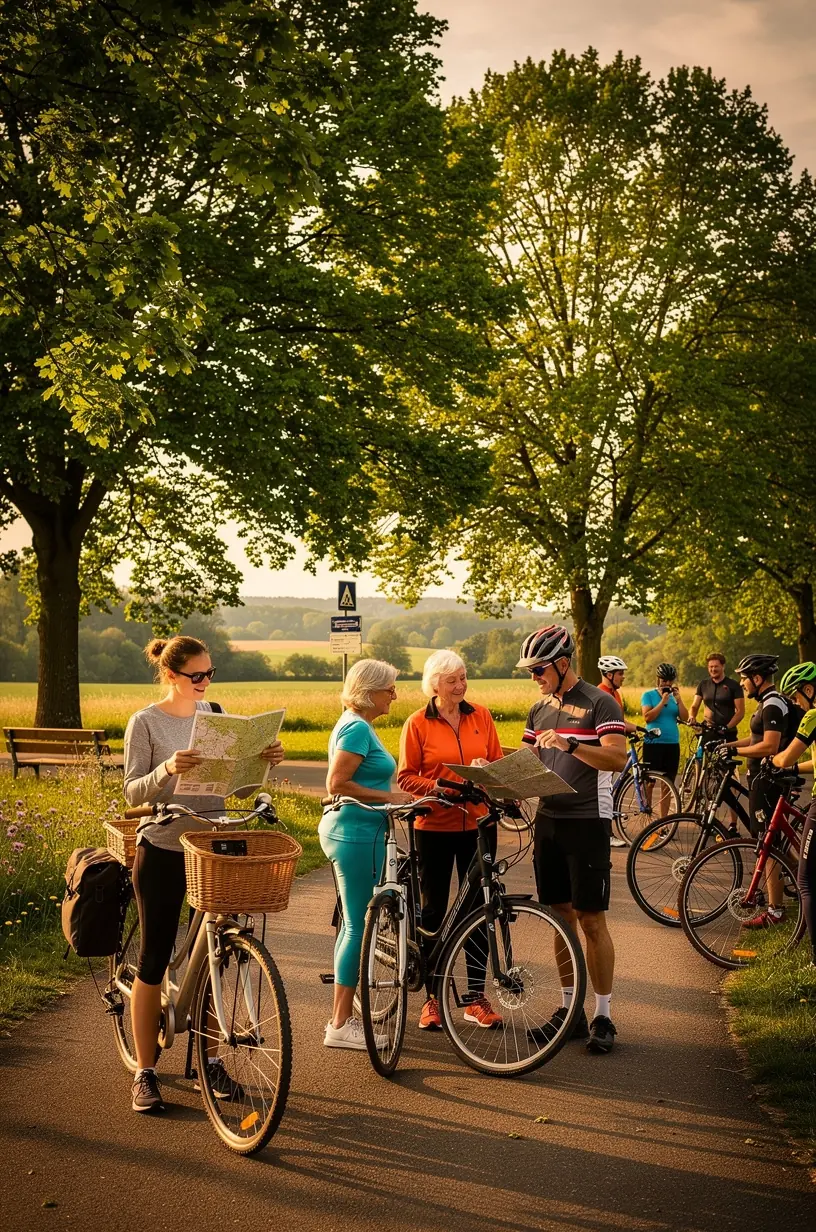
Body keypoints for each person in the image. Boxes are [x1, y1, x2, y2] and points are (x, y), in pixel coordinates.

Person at [124, 635, 285, 1114]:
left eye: (210, 673)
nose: (206, 682)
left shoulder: (213, 712)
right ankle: (145, 1071)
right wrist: (169, 767)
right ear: (171, 675)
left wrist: (262, 763)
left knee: (220, 954)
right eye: (197, 675)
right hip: (165, 845)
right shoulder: (146, 722)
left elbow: (234, 780)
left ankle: (210, 1060)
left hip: (213, 844)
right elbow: (133, 792)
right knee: (154, 958)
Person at [519, 625, 627, 1054]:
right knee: (558, 917)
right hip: (549, 821)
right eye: (529, 670)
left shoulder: (600, 702)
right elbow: (528, 760)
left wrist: (571, 746)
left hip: (588, 822)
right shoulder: (538, 708)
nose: (534, 677)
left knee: (591, 921)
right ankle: (571, 1013)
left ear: (563, 664)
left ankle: (603, 1015)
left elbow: (617, 758)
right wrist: (497, 773)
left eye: (539, 668)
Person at [398, 649, 504, 1031]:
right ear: (435, 685)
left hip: (478, 825)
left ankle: (475, 998)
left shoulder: (482, 716)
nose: (461, 685)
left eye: (463, 677)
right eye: (452, 680)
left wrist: (486, 772)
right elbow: (406, 777)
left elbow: (494, 763)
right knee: (433, 912)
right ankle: (432, 998)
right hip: (435, 828)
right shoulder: (417, 723)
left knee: (479, 910)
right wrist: (441, 787)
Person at [320, 659, 413, 1050]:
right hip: (355, 834)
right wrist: (390, 797)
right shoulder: (357, 727)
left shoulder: (358, 724)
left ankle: (344, 1017)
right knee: (358, 926)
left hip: (360, 831)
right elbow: (337, 782)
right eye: (389, 687)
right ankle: (340, 1025)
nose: (394, 693)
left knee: (352, 925)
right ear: (369, 691)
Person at [726, 653, 802, 927]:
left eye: (744, 678)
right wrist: (730, 747)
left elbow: (769, 745)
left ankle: (775, 910)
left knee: (767, 846)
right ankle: (799, 882)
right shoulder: (767, 703)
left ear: (757, 679)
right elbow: (757, 737)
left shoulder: (771, 704)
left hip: (767, 781)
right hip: (761, 778)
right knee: (774, 843)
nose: (742, 683)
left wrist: (739, 752)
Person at [772, 662, 816, 965]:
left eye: (797, 696)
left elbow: (787, 754)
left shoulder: (813, 717)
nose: (797, 703)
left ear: (810, 690)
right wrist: (793, 768)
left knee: (806, 881)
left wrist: (776, 761)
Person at [688, 653, 744, 827]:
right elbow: (695, 705)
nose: (713, 669)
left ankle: (733, 823)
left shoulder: (733, 685)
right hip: (708, 733)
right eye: (710, 666)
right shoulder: (703, 685)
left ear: (723, 666)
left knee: (730, 779)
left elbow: (740, 711)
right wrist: (691, 717)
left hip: (727, 736)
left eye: (716, 666)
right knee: (706, 776)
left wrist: (727, 727)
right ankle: (706, 817)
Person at [640, 663, 688, 816]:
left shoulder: (674, 697)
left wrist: (679, 700)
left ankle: (663, 822)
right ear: (658, 679)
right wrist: (662, 702)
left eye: (669, 680)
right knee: (650, 782)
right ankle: (647, 813)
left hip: (672, 744)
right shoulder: (648, 695)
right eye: (664, 680)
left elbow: (685, 718)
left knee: (667, 785)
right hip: (653, 743)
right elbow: (647, 718)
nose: (667, 684)